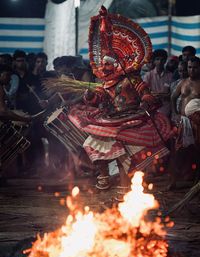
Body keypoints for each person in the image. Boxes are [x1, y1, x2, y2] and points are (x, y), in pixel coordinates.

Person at [48, 6, 172, 190]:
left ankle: (125, 189)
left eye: (108, 64)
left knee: (125, 157)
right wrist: (90, 96)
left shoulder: (131, 79)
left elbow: (145, 91)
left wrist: (146, 98)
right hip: (112, 120)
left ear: (116, 65)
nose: (104, 68)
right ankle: (104, 177)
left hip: (132, 121)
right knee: (91, 144)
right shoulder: (105, 84)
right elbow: (98, 98)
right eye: (103, 64)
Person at [168, 56, 200, 188]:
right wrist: (175, 113)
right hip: (182, 120)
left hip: (196, 121)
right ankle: (173, 181)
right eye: (189, 67)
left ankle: (197, 181)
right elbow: (173, 97)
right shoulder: (183, 82)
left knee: (197, 151)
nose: (191, 70)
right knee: (178, 151)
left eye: (195, 67)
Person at [143, 49, 173, 116]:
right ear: (154, 61)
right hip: (152, 109)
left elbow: (172, 94)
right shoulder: (148, 75)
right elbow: (144, 93)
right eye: (157, 59)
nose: (160, 62)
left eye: (162, 59)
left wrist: (162, 95)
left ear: (165, 61)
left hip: (167, 109)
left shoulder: (170, 75)